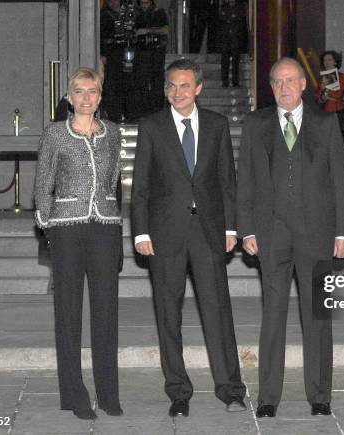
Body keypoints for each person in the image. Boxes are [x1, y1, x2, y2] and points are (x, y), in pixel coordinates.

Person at [237, 57, 344, 418]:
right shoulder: (256, 124)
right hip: (271, 234)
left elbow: (339, 180)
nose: (284, 87)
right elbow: (246, 181)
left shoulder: (325, 122)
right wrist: (246, 229)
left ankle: (320, 395)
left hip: (316, 234)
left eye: (291, 80)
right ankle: (268, 397)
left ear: (304, 84)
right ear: (271, 87)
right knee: (273, 316)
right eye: (277, 82)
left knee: (316, 317)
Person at [131, 58, 246, 417]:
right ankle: (178, 391)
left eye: (184, 86)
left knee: (218, 313)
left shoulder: (216, 125)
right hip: (165, 234)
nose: (176, 92)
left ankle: (231, 389)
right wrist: (140, 232)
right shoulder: (152, 127)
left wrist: (230, 227)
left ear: (198, 88)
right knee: (168, 315)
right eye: (171, 86)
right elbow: (142, 187)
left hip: (209, 232)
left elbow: (227, 180)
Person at [33, 67, 123, 420]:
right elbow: (43, 181)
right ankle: (74, 395)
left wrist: (106, 207)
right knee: (68, 313)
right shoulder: (55, 134)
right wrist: (47, 222)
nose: (86, 97)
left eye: (93, 91)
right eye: (79, 92)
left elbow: (115, 175)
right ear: (69, 98)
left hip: (105, 227)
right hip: (67, 228)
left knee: (106, 313)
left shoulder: (113, 133)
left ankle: (109, 393)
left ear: (100, 97)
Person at [132, 0, 169, 116]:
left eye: (146, 3)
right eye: (142, 3)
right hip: (141, 52)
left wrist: (147, 31)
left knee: (157, 82)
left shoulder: (159, 13)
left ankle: (157, 111)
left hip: (156, 51)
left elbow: (165, 30)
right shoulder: (135, 13)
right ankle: (141, 111)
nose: (144, 6)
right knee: (140, 83)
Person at [317, 50, 344, 149]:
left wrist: (326, 89)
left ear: (335, 62)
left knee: (339, 142)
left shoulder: (342, 76)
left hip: (338, 111)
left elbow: (338, 93)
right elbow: (317, 98)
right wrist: (322, 93)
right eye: (325, 60)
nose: (327, 62)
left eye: (329, 60)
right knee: (326, 142)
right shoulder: (320, 79)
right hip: (325, 112)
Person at [219, 0, 247, 87]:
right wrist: (231, 18)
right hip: (225, 38)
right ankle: (225, 82)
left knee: (235, 61)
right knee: (225, 61)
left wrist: (230, 18)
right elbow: (223, 18)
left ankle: (235, 82)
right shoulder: (224, 6)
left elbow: (240, 19)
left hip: (236, 38)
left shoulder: (240, 7)